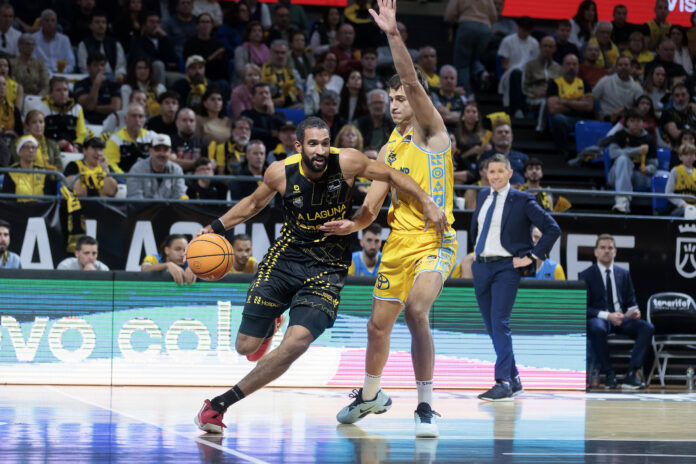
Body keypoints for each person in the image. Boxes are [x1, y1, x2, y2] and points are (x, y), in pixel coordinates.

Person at [194, 116, 448, 434]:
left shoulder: (348, 162)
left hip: (327, 268)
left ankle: (219, 405)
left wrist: (426, 200)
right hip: (285, 259)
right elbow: (252, 204)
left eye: (325, 143)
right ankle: (271, 323)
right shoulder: (280, 172)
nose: (320, 150)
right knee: (245, 347)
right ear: (298, 146)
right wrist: (214, 228)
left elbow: (391, 174)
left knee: (296, 342)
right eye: (313, 144)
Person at [331, 0, 455, 438]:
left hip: (436, 240)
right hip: (398, 245)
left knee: (417, 311)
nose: (397, 103)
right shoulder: (386, 150)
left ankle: (425, 406)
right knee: (376, 326)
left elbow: (411, 79)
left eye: (403, 97)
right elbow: (371, 206)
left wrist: (392, 34)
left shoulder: (431, 132)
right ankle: (370, 395)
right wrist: (353, 224)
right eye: (393, 99)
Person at [470, 153, 560, 400]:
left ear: (510, 173)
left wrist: (532, 256)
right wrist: (476, 252)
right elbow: (478, 228)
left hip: (506, 268)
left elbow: (552, 228)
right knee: (492, 327)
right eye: (491, 171)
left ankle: (503, 382)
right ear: (486, 174)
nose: (495, 176)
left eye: (500, 171)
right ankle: (515, 378)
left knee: (500, 322)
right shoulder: (482, 195)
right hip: (482, 267)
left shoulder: (522, 199)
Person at [579, 234, 654, 389]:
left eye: (610, 248)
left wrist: (635, 311)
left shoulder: (623, 274)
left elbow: (631, 301)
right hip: (601, 318)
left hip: (622, 318)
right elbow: (584, 308)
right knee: (597, 328)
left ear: (615, 252)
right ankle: (609, 374)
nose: (606, 251)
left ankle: (631, 374)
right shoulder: (586, 275)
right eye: (603, 248)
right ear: (596, 252)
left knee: (647, 327)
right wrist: (608, 316)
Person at [606, 108, 657, 213]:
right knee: (623, 160)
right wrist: (636, 151)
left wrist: (648, 169)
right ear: (627, 123)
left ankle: (662, 210)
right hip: (616, 176)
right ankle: (622, 201)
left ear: (643, 123)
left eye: (638, 121)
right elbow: (612, 153)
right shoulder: (620, 135)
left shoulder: (649, 139)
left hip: (638, 176)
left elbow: (654, 164)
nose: (635, 124)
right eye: (632, 121)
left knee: (663, 175)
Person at [444, 0, 497, 95]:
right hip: (485, 29)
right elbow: (494, 16)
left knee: (462, 63)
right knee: (476, 59)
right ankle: (482, 73)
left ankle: (466, 94)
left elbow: (449, 16)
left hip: (466, 26)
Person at [547, 53, 594, 159]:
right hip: (566, 119)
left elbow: (589, 106)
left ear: (578, 66)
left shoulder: (584, 84)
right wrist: (578, 102)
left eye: (574, 64)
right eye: (568, 64)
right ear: (563, 66)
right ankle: (563, 154)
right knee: (558, 119)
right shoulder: (554, 84)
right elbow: (553, 109)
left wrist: (564, 101)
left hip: (583, 119)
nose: (571, 67)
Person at [496, 17, 539, 114]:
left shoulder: (534, 43)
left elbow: (535, 64)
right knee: (517, 74)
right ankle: (517, 109)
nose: (525, 33)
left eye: (528, 31)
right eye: (523, 30)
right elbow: (504, 65)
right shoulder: (507, 41)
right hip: (511, 73)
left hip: (528, 74)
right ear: (518, 28)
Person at [127, 133, 188, 199]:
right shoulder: (137, 169)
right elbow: (135, 199)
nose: (161, 154)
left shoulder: (176, 170)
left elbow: (180, 195)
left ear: (170, 152)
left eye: (165, 150)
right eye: (157, 149)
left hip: (169, 206)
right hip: (143, 206)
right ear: (150, 151)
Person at [35, 77, 87, 152]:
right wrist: (54, 145)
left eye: (65, 90)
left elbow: (81, 132)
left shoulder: (77, 108)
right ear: (51, 93)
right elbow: (37, 133)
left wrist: (77, 145)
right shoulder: (41, 109)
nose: (63, 93)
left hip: (73, 148)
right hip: (47, 149)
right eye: (58, 90)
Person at [128, 11, 179, 86]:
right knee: (158, 65)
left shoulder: (163, 40)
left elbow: (174, 59)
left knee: (182, 79)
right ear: (144, 25)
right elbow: (142, 57)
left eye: (158, 22)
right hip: (145, 72)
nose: (155, 25)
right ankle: (160, 92)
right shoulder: (138, 40)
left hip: (165, 72)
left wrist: (165, 37)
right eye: (151, 22)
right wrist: (162, 62)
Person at [104, 104, 157, 173]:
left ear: (144, 120)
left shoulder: (152, 137)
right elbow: (111, 164)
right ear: (125, 119)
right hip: (123, 178)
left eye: (141, 116)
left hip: (149, 177)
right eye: (133, 116)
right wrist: (127, 177)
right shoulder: (115, 139)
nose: (137, 120)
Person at [2, 135, 58, 200]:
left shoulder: (43, 172)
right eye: (27, 147)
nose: (31, 150)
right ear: (19, 152)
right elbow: (8, 201)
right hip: (19, 206)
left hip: (41, 206)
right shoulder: (11, 173)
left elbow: (48, 198)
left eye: (33, 147)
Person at [77, 10, 127, 81]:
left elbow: (121, 66)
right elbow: (84, 67)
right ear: (90, 25)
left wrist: (118, 77)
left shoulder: (115, 44)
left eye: (103, 22)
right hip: (91, 79)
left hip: (113, 79)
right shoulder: (83, 44)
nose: (101, 25)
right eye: (97, 22)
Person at [74, 53, 122, 125]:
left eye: (102, 65)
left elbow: (115, 108)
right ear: (88, 68)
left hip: (109, 123)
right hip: (87, 122)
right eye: (95, 65)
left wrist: (96, 108)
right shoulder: (80, 84)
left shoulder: (113, 84)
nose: (99, 68)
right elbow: (90, 106)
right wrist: (96, 84)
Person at [592, 56, 644, 124]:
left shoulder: (637, 88)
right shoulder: (605, 81)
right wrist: (597, 116)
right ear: (616, 68)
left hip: (626, 122)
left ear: (631, 68)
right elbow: (592, 98)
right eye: (620, 65)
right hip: (605, 120)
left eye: (626, 65)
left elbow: (640, 108)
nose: (623, 67)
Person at [184, 13, 229, 85]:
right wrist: (212, 57)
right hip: (198, 77)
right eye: (202, 22)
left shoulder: (218, 44)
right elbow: (192, 64)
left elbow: (224, 67)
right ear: (197, 25)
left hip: (217, 77)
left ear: (212, 26)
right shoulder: (190, 43)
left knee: (224, 83)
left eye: (208, 22)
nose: (205, 25)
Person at [241, 82, 288, 151]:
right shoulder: (247, 114)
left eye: (267, 93)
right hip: (256, 151)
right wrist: (270, 133)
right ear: (253, 98)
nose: (264, 96)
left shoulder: (279, 115)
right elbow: (249, 131)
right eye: (261, 93)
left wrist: (273, 115)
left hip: (278, 151)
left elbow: (287, 131)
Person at [478, 122, 528, 186]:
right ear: (493, 138)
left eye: (507, 132)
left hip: (520, 190)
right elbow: (479, 178)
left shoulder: (523, 157)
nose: (504, 134)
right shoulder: (485, 157)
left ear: (512, 137)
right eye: (500, 132)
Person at [261, 39, 303, 109]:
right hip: (268, 106)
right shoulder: (261, 71)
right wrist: (272, 102)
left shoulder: (294, 73)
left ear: (287, 55)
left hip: (292, 106)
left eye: (283, 53)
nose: (280, 55)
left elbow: (301, 95)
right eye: (276, 52)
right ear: (270, 53)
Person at [171, 107, 213, 172]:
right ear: (177, 123)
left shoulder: (204, 143)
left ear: (195, 123)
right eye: (184, 120)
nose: (188, 124)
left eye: (191, 121)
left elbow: (209, 164)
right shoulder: (169, 141)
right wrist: (198, 162)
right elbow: (171, 163)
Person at [433, 65, 468, 132]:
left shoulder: (462, 97)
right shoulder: (434, 95)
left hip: (459, 132)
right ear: (440, 79)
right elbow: (440, 116)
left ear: (456, 81)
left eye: (452, 78)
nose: (449, 81)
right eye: (446, 78)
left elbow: (467, 116)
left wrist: (448, 116)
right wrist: (459, 116)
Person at [666, 142, 696, 216]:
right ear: (680, 157)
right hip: (678, 207)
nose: (689, 157)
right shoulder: (675, 171)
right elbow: (668, 193)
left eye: (691, 154)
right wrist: (683, 204)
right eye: (686, 154)